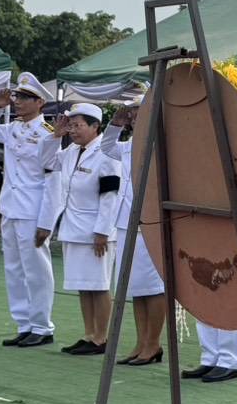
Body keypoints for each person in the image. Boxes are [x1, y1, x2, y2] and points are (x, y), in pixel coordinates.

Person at [0, 73, 62, 347]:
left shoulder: (48, 134)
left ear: (40, 102)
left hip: (33, 210)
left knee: (36, 270)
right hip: (10, 207)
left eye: (26, 97)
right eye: (17, 96)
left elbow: (53, 180)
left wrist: (47, 222)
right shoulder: (13, 128)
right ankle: (24, 324)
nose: (18, 101)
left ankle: (42, 326)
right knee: (14, 269)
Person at [44, 104, 121, 356]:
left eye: (78, 125)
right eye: (71, 125)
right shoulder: (71, 151)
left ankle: (102, 337)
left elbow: (110, 196)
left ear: (95, 126)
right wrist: (55, 136)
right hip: (73, 228)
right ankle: (89, 334)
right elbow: (46, 162)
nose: (73, 130)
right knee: (83, 285)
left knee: (99, 285)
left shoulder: (107, 153)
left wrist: (102, 232)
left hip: (95, 231)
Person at [101, 91, 168, 365]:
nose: (133, 117)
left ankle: (153, 343)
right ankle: (141, 342)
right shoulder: (129, 145)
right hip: (126, 221)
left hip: (150, 222)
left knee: (153, 286)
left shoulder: (161, 144)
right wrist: (114, 124)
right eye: (131, 114)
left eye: (138, 113)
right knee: (136, 287)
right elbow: (106, 147)